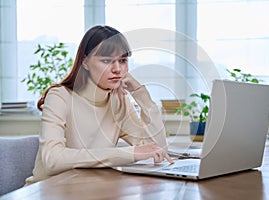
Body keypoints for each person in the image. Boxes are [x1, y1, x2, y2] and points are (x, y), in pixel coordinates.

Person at [26, 25, 173, 185]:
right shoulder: (60, 96)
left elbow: (157, 151)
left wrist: (141, 95)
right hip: (47, 191)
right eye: (106, 60)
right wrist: (129, 153)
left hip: (86, 190)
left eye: (123, 60)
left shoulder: (119, 101)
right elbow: (53, 160)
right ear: (85, 62)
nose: (117, 69)